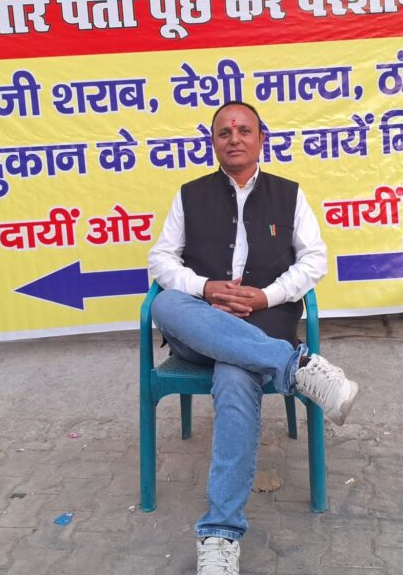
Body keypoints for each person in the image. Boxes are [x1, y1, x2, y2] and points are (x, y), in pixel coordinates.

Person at [148, 101, 359, 575]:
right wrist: (205, 289)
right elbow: (161, 260)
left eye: (244, 130)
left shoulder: (289, 195)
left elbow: (314, 260)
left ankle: (220, 533)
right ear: (213, 143)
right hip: (201, 324)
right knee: (164, 303)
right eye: (224, 132)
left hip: (263, 322)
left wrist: (266, 296)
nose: (234, 138)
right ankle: (296, 368)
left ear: (262, 139)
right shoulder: (190, 195)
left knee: (235, 373)